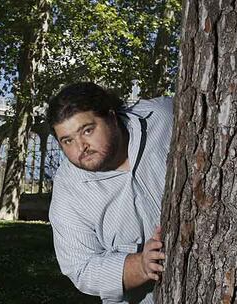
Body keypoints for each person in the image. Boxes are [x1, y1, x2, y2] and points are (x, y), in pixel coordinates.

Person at [46, 82, 173, 303]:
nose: (80, 147)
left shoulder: (164, 116)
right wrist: (139, 266)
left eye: (87, 130)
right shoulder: (68, 188)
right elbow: (81, 267)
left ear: (112, 117)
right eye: (67, 141)